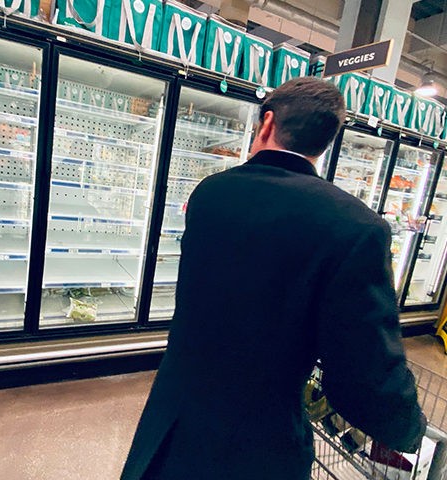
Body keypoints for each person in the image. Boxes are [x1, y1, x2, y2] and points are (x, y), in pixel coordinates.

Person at [121, 77, 427, 480]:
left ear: (266, 125)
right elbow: (363, 371)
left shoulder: (210, 193)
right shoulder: (356, 226)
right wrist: (409, 429)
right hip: (259, 443)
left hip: (173, 419)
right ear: (325, 143)